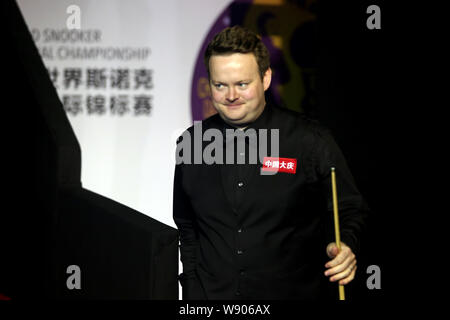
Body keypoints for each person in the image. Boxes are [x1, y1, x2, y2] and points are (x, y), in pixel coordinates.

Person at [173, 25, 369, 300]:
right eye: (220, 85)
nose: (231, 96)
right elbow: (186, 225)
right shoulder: (191, 143)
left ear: (265, 79)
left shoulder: (309, 141)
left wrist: (346, 245)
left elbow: (348, 208)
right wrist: (191, 288)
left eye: (242, 84)